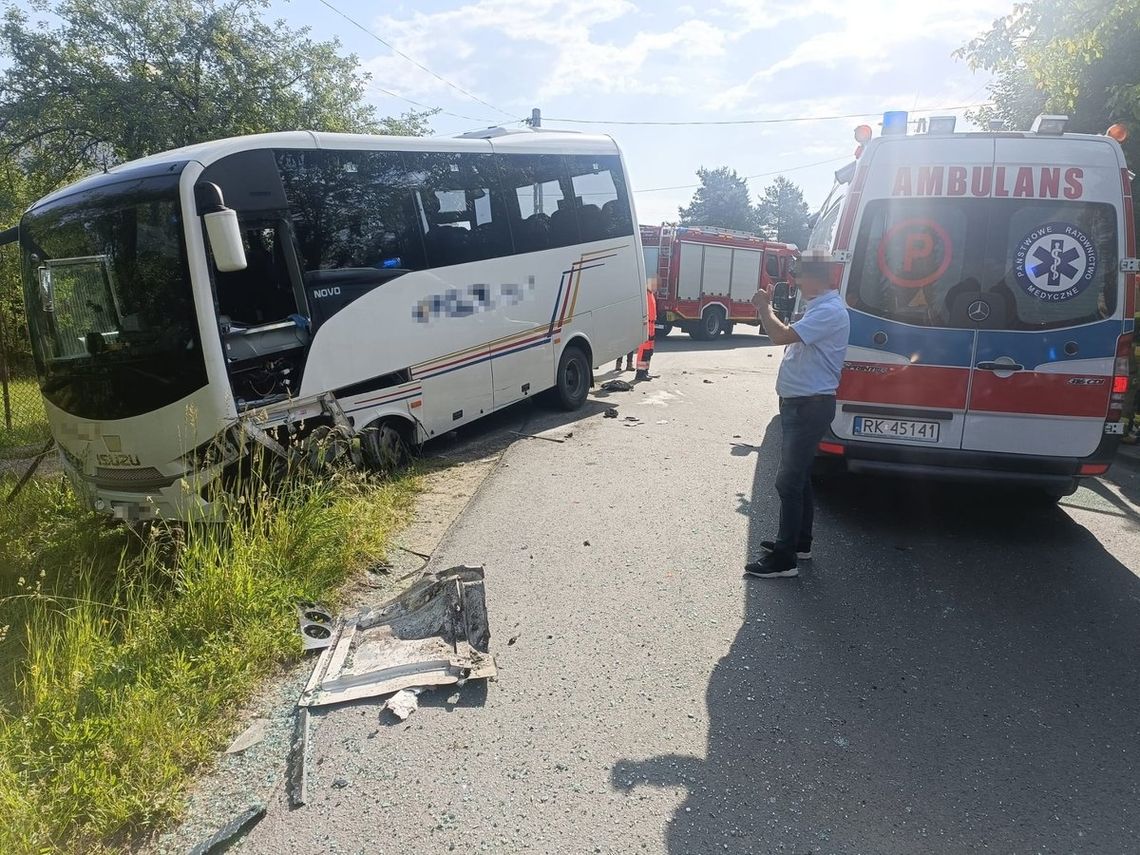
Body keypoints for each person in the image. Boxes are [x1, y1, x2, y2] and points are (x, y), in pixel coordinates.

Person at [745, 259, 850, 578]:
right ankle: (799, 543)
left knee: (788, 480)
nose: (796, 283)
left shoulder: (829, 311)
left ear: (817, 278)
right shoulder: (821, 306)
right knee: (800, 477)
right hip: (802, 404)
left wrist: (764, 306)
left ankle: (784, 558)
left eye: (800, 277)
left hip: (808, 406)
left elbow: (780, 336)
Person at [634, 281, 657, 381]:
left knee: (649, 352)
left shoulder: (651, 294)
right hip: (646, 325)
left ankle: (645, 371)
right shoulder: (645, 294)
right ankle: (640, 373)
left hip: (651, 326)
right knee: (643, 351)